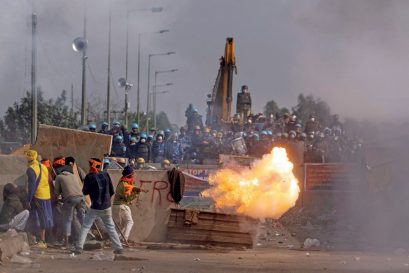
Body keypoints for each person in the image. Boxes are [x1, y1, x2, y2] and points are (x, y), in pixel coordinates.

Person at [74, 158, 123, 255]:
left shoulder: (89, 176)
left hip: (95, 207)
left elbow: (85, 192)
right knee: (111, 227)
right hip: (107, 206)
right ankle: (118, 247)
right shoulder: (105, 174)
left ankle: (79, 247)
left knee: (85, 226)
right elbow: (111, 191)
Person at [25, 150, 53, 249]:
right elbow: (50, 180)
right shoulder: (44, 167)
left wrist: (28, 200)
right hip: (47, 195)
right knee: (45, 217)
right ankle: (44, 239)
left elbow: (32, 186)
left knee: (40, 218)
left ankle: (42, 240)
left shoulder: (31, 169)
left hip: (38, 196)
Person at [54, 164, 86, 248]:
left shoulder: (59, 177)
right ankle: (85, 239)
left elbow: (56, 192)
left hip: (70, 199)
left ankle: (66, 242)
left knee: (67, 219)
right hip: (81, 198)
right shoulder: (73, 176)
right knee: (82, 218)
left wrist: (57, 198)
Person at [113, 166, 146, 242]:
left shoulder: (121, 181)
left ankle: (117, 239)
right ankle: (125, 238)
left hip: (116, 205)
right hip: (122, 205)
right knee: (130, 222)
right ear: (129, 174)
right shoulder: (125, 184)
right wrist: (136, 193)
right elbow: (127, 197)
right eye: (132, 173)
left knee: (122, 224)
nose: (134, 174)